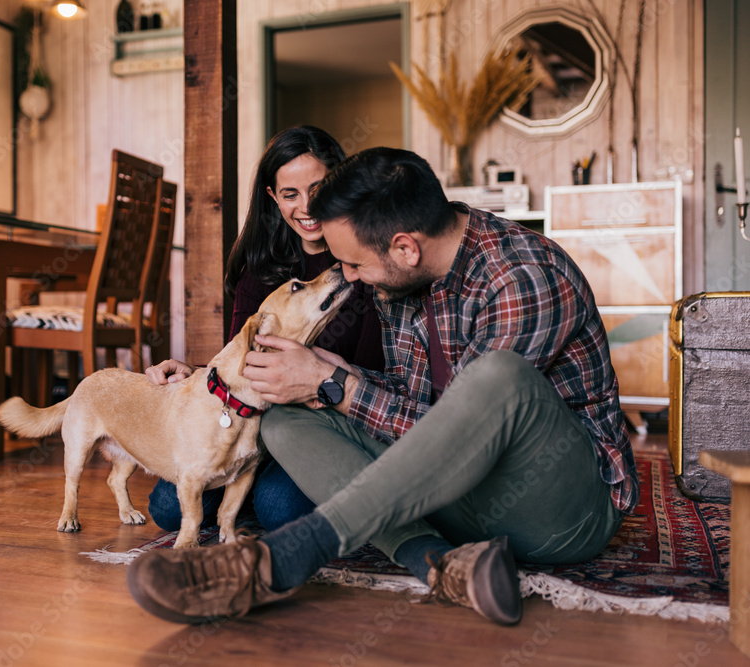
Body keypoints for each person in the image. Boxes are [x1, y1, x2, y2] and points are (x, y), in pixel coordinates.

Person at [126, 147, 639, 627]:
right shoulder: (398, 278)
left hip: (557, 510)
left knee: (497, 374)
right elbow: (418, 408)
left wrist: (337, 385)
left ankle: (281, 561)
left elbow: (462, 439)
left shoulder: (522, 279)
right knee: (285, 411)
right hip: (446, 497)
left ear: (405, 247)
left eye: (353, 264)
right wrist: (326, 376)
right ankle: (439, 562)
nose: (349, 277)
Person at [145, 125, 384, 533]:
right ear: (273, 198)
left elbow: (373, 375)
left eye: (319, 187)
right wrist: (194, 373)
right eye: (290, 194)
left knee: (278, 507)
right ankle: (245, 486)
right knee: (168, 506)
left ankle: (255, 491)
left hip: (323, 422)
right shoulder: (261, 269)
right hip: (249, 421)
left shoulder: (365, 264)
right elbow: (242, 356)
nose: (307, 207)